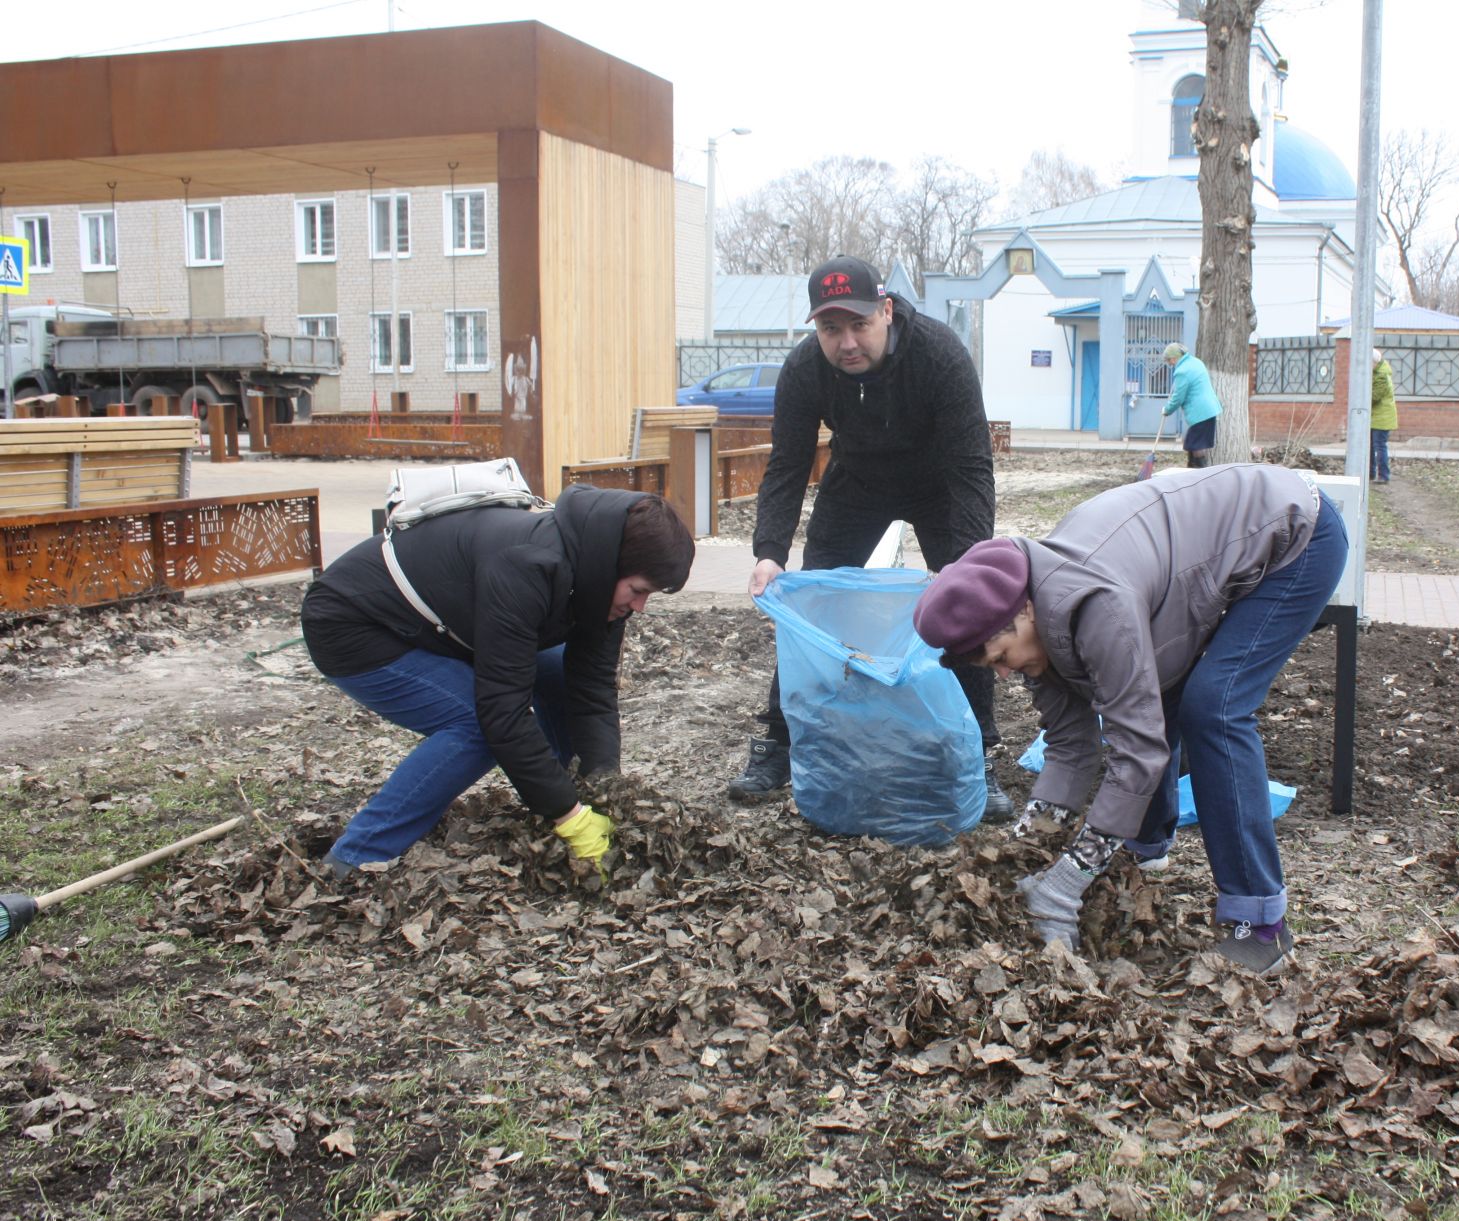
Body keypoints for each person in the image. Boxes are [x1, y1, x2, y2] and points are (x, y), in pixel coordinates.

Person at [911, 464, 1349, 975]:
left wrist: (1068, 880)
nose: (1005, 674)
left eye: (1001, 656)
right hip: (1194, 563)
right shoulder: (1035, 620)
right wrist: (1025, 847)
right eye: (993, 668)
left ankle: (1260, 924)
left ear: (1023, 609)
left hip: (1293, 533)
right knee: (1150, 695)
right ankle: (1145, 847)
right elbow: (1072, 747)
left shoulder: (1095, 608)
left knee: (1214, 707)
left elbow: (1139, 754)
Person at [728, 254, 1010, 821]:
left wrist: (965, 563)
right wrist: (769, 554)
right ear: (817, 330)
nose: (847, 342)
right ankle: (781, 741)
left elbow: (972, 469)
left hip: (938, 484)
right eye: (832, 329)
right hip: (856, 483)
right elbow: (786, 464)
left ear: (885, 310)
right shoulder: (806, 368)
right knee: (812, 609)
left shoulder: (939, 355)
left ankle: (978, 748)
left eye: (859, 324)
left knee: (965, 606)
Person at [300, 486, 695, 879]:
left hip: (452, 624)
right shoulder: (526, 565)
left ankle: (570, 797)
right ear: (608, 564)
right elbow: (502, 712)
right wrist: (569, 817)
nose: (640, 606)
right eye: (639, 590)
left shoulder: (600, 585)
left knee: (560, 675)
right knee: (475, 722)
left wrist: (605, 789)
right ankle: (353, 859)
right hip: (356, 625)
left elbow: (591, 689)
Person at [1162, 342, 1222, 467]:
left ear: (1174, 358)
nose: (1170, 364)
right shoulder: (1195, 362)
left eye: (1169, 361)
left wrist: (1167, 410)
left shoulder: (1182, 371)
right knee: (1192, 443)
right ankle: (1192, 471)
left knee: (1196, 445)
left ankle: (1201, 474)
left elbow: (1178, 398)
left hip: (1200, 413)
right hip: (1209, 410)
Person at [1370, 347, 1398, 484]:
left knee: (1379, 446)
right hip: (1376, 417)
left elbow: (1374, 397)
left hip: (1382, 418)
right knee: (1371, 446)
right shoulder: (1377, 373)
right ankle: (1370, 473)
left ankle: (1383, 475)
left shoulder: (1381, 376)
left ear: (1374, 362)